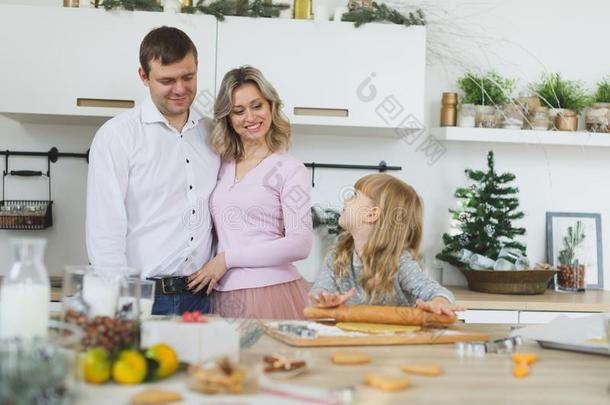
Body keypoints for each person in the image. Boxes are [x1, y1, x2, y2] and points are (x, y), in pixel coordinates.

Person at [86, 26, 220, 315]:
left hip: (204, 298)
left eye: (188, 77)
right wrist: (124, 306)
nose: (181, 89)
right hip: (143, 298)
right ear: (144, 77)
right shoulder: (117, 136)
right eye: (167, 80)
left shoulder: (213, 134)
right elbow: (104, 232)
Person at [186, 66, 313, 320]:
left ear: (271, 106)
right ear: (228, 118)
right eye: (239, 111)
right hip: (222, 292)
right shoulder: (222, 164)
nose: (250, 117)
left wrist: (227, 259)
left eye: (257, 106)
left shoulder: (289, 169)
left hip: (270, 291)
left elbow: (301, 243)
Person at [309, 174, 464, 316]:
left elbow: (435, 290)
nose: (345, 199)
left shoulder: (399, 262)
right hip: (353, 339)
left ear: (372, 214)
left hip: (396, 342)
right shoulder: (336, 255)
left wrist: (439, 302)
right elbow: (319, 290)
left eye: (355, 195)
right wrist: (324, 299)